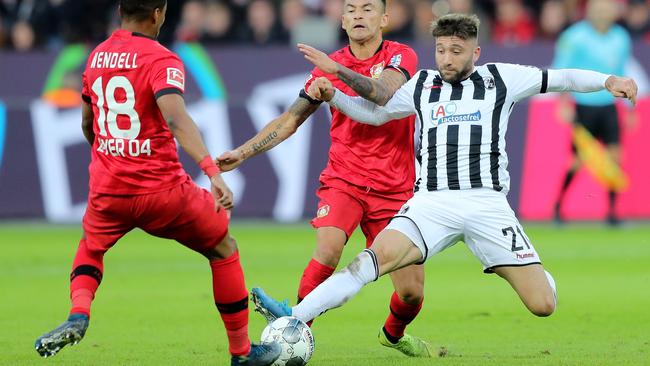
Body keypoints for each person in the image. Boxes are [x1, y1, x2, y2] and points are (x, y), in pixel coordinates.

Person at [250, 13, 637, 337]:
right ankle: (292, 317)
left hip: (486, 204)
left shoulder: (501, 78)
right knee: (368, 262)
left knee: (542, 305)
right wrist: (336, 96)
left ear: (475, 52)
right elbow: (375, 113)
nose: (447, 59)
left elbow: (562, 78)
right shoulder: (421, 86)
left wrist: (609, 82)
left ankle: (525, 267)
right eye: (441, 51)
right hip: (430, 204)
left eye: (456, 51)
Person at [33, 1, 281, 365]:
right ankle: (243, 354)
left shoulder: (97, 57)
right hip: (162, 192)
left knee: (91, 247)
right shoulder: (161, 59)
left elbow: (89, 123)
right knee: (223, 248)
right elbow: (177, 120)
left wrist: (111, 158)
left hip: (109, 190)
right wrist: (212, 173)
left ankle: (79, 313)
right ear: (159, 14)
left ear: (120, 10)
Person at [218, 0, 432, 357]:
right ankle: (292, 335)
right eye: (351, 9)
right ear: (343, 19)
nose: (359, 15)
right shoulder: (327, 69)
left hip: (395, 190)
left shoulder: (401, 56)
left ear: (385, 18)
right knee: (329, 249)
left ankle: (393, 335)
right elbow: (289, 121)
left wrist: (335, 70)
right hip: (344, 179)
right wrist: (243, 152)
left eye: (368, 8)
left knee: (411, 293)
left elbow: (382, 94)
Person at [552, 0, 634, 225]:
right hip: (583, 106)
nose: (603, 13)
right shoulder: (574, 36)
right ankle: (558, 207)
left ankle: (612, 212)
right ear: (589, 12)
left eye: (607, 9)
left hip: (608, 107)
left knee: (615, 158)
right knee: (577, 161)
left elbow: (621, 73)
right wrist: (563, 103)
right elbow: (562, 71)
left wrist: (628, 106)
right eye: (598, 9)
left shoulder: (621, 38)